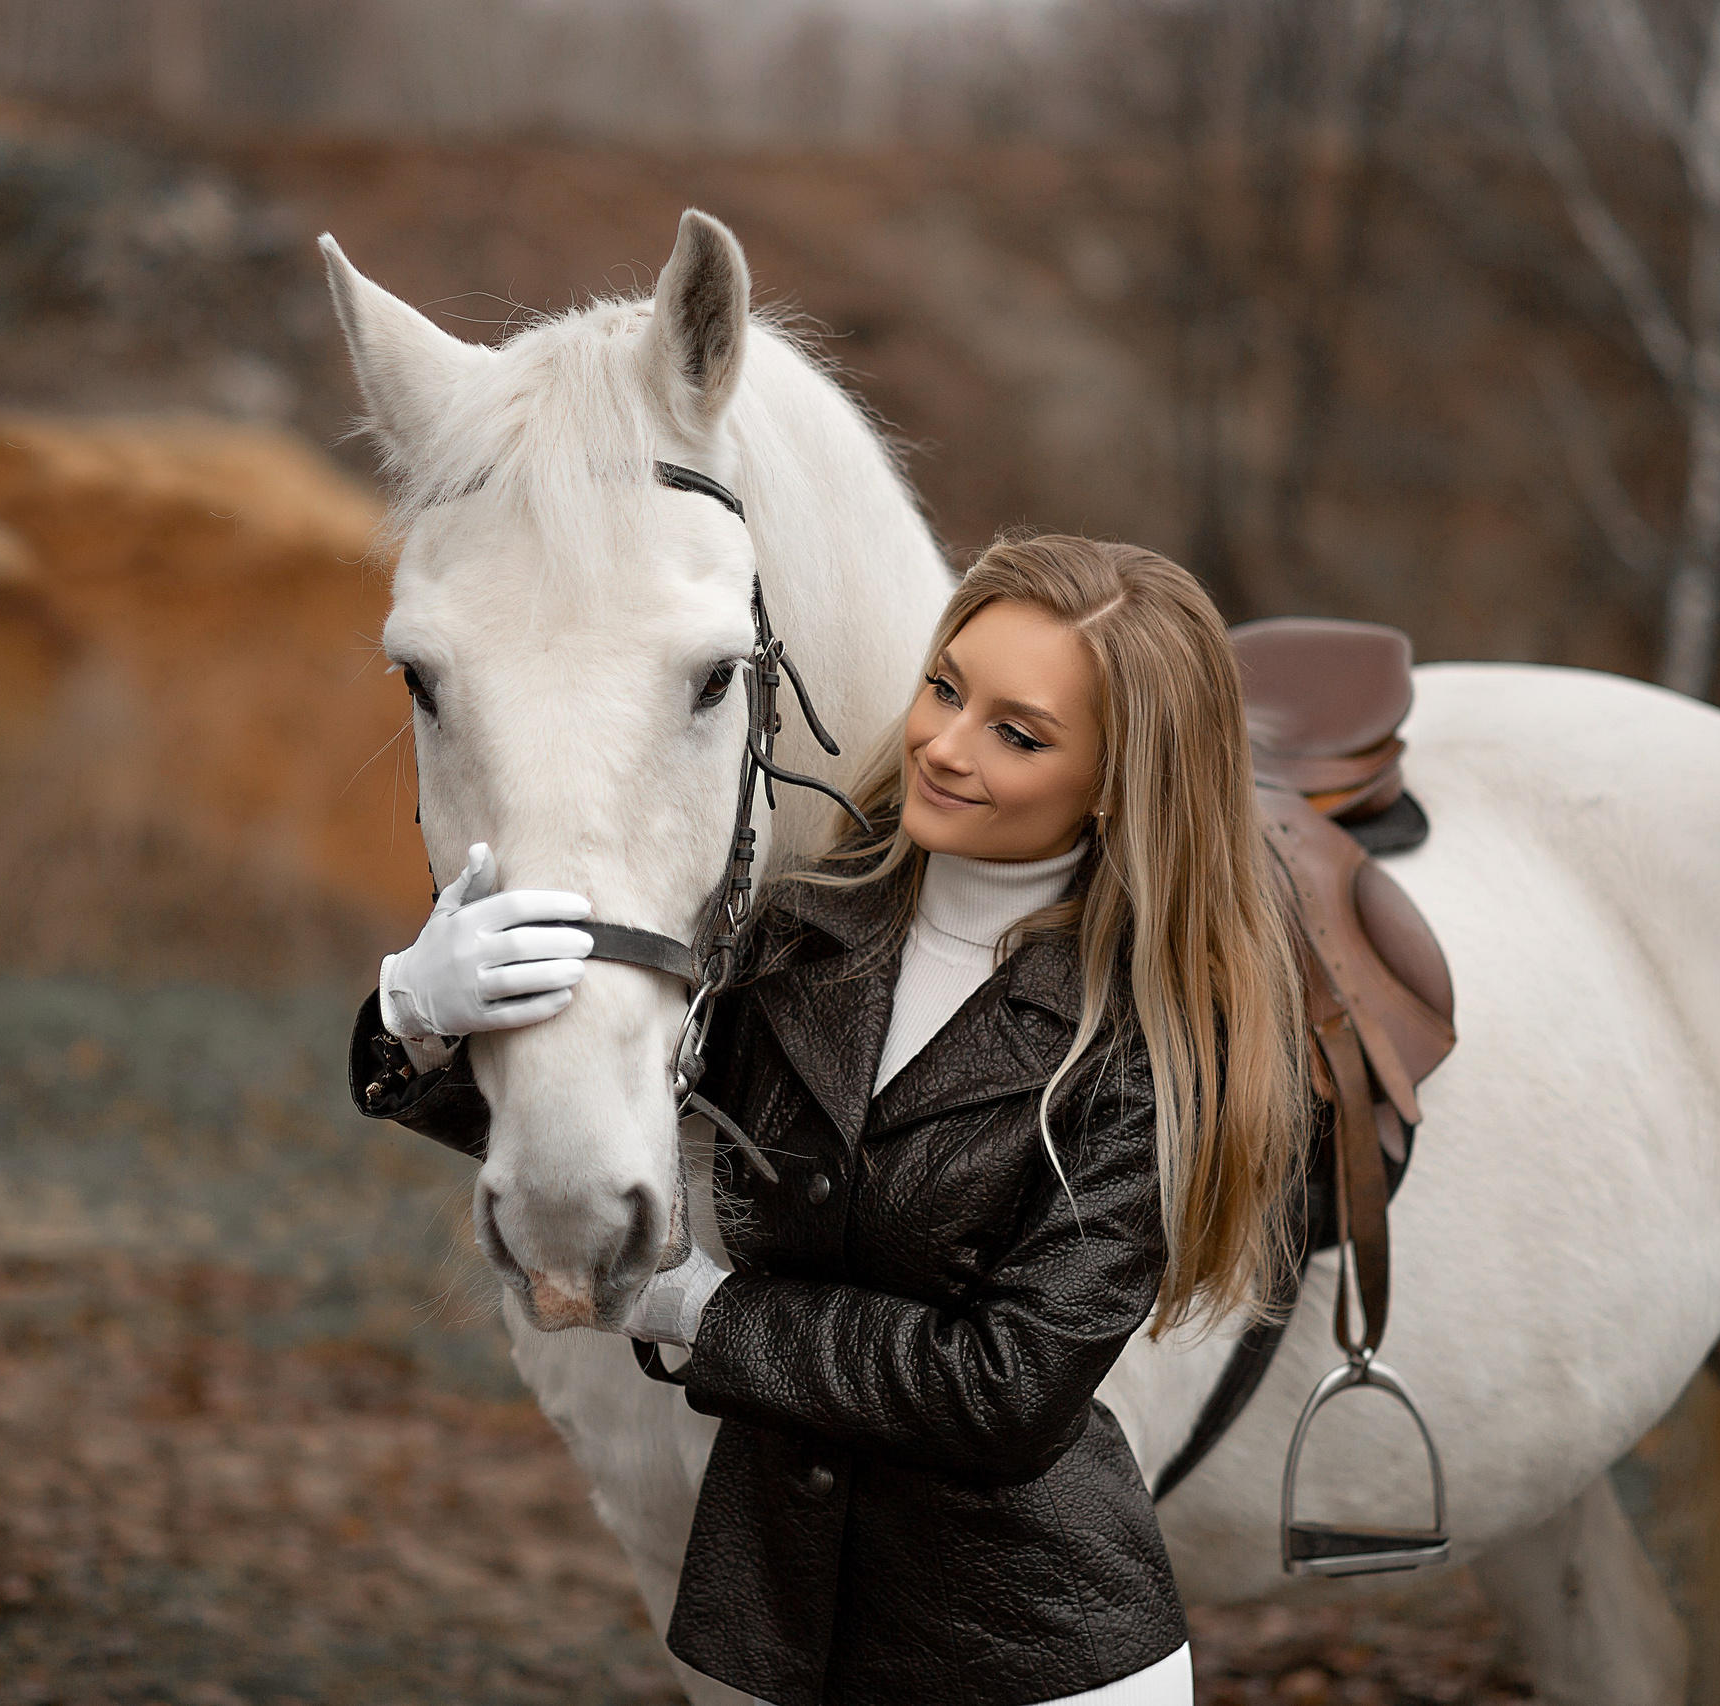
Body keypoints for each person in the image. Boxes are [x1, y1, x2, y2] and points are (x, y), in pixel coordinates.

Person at [350, 536, 1312, 1706]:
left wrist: (704, 1310)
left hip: (1030, 1660)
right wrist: (416, 1018)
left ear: (1118, 777)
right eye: (945, 688)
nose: (944, 748)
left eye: (1017, 732)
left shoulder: (1148, 1041)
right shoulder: (806, 928)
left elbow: (1003, 1391)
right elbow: (616, 1128)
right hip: (772, 1637)